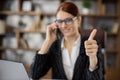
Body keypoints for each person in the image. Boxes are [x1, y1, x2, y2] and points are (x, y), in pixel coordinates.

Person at [30, 2, 105, 80]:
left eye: (68, 20)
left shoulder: (91, 44)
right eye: (59, 21)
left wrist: (93, 59)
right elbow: (34, 75)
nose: (63, 26)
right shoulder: (54, 46)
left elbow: (98, 78)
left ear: (79, 20)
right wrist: (47, 42)